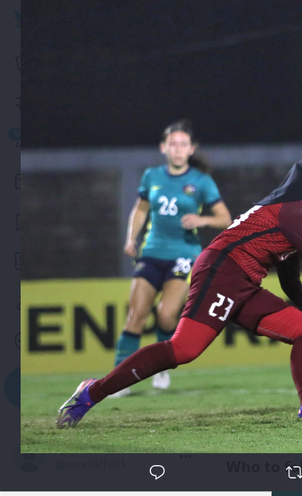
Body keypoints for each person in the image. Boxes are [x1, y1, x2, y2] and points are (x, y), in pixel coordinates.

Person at [56, 153, 302, 428]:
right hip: (222, 273)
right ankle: (92, 392)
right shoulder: (300, 211)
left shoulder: (295, 210)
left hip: (243, 282)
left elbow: (292, 282)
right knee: (183, 350)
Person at [109, 120, 232, 397]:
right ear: (164, 147)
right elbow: (140, 210)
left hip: (184, 255)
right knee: (136, 315)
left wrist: (201, 218)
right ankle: (119, 379)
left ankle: (161, 366)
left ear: (191, 149)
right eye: (173, 144)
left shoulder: (201, 181)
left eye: (183, 145)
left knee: (166, 315)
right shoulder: (152, 176)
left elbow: (226, 218)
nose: (178, 150)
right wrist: (131, 239)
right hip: (152, 253)